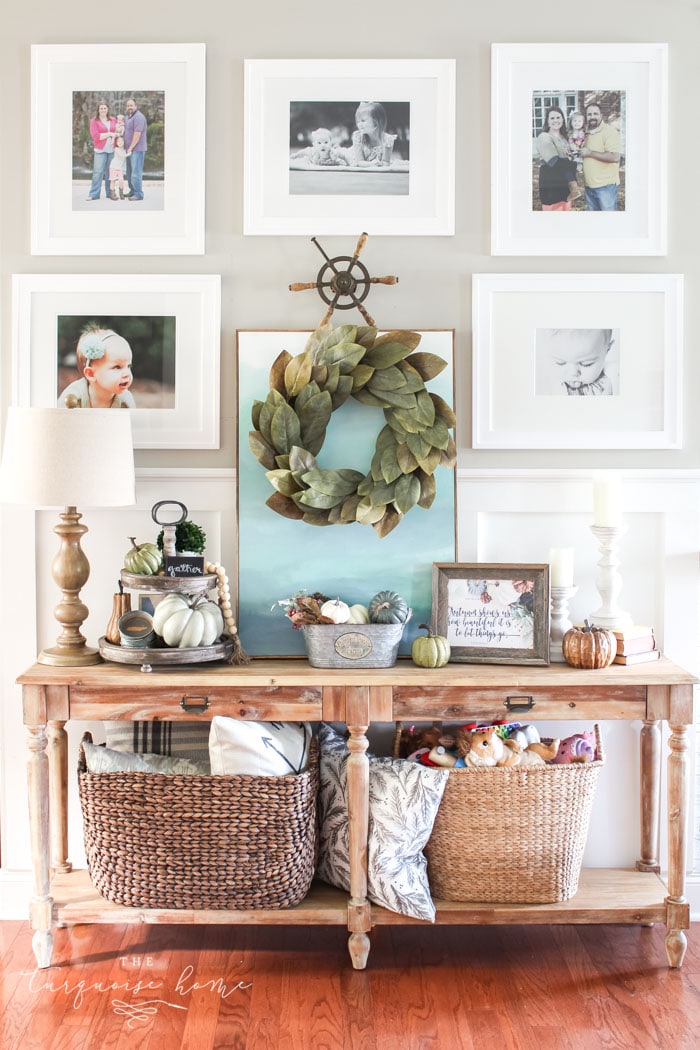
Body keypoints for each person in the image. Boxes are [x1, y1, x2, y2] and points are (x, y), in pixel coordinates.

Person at [58, 324, 136, 408]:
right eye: (117, 367)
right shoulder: (72, 398)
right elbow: (57, 419)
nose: (127, 374)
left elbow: (132, 421)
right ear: (91, 373)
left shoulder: (126, 401)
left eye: (128, 366)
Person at [538, 328, 616, 396]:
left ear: (607, 350)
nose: (573, 373)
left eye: (586, 364)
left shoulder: (614, 378)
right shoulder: (545, 383)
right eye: (560, 362)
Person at [534, 107, 579, 211]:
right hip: (551, 184)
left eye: (558, 117)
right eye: (552, 118)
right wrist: (577, 165)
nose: (555, 120)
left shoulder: (565, 138)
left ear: (563, 119)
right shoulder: (544, 137)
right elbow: (554, 161)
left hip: (566, 184)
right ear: (547, 121)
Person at [581, 101, 621, 211]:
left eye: (595, 114)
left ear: (601, 115)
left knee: (608, 223)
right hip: (589, 187)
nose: (592, 117)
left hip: (605, 187)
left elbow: (615, 157)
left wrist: (590, 153)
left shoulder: (609, 132)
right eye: (589, 114)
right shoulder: (585, 133)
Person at [345, 102, 397, 167]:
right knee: (342, 154)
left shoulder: (388, 140)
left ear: (375, 123)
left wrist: (381, 165)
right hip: (352, 156)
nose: (359, 124)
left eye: (363, 121)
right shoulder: (358, 136)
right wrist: (370, 164)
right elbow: (359, 161)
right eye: (358, 121)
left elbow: (386, 162)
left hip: (372, 165)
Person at [85, 101, 116, 201]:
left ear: (107, 109)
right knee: (98, 172)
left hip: (112, 150)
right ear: (98, 110)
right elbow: (96, 136)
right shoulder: (94, 121)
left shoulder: (113, 119)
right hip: (100, 150)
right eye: (101, 108)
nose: (103, 110)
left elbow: (117, 131)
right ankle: (94, 194)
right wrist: (109, 133)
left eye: (105, 108)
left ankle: (109, 193)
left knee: (110, 172)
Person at [124, 96, 147, 201]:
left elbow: (137, 134)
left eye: (131, 105)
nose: (129, 107)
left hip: (136, 150)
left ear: (135, 106)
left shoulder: (139, 117)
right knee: (129, 172)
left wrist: (131, 148)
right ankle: (132, 191)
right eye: (128, 105)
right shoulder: (128, 117)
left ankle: (138, 194)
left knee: (135, 172)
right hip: (128, 150)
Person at [566, 111, 585, 199]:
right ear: (571, 122)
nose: (577, 123)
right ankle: (574, 190)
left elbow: (576, 145)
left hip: (577, 155)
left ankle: (575, 190)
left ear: (583, 123)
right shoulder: (569, 132)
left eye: (579, 121)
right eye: (575, 121)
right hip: (570, 155)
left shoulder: (581, 133)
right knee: (568, 172)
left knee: (569, 170)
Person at [109, 136, 128, 200]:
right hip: (113, 167)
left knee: (121, 180)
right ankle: (112, 195)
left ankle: (121, 194)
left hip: (120, 168)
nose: (120, 142)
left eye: (121, 141)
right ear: (116, 143)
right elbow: (121, 155)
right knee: (113, 180)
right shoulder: (116, 149)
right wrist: (129, 154)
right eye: (118, 141)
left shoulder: (125, 150)